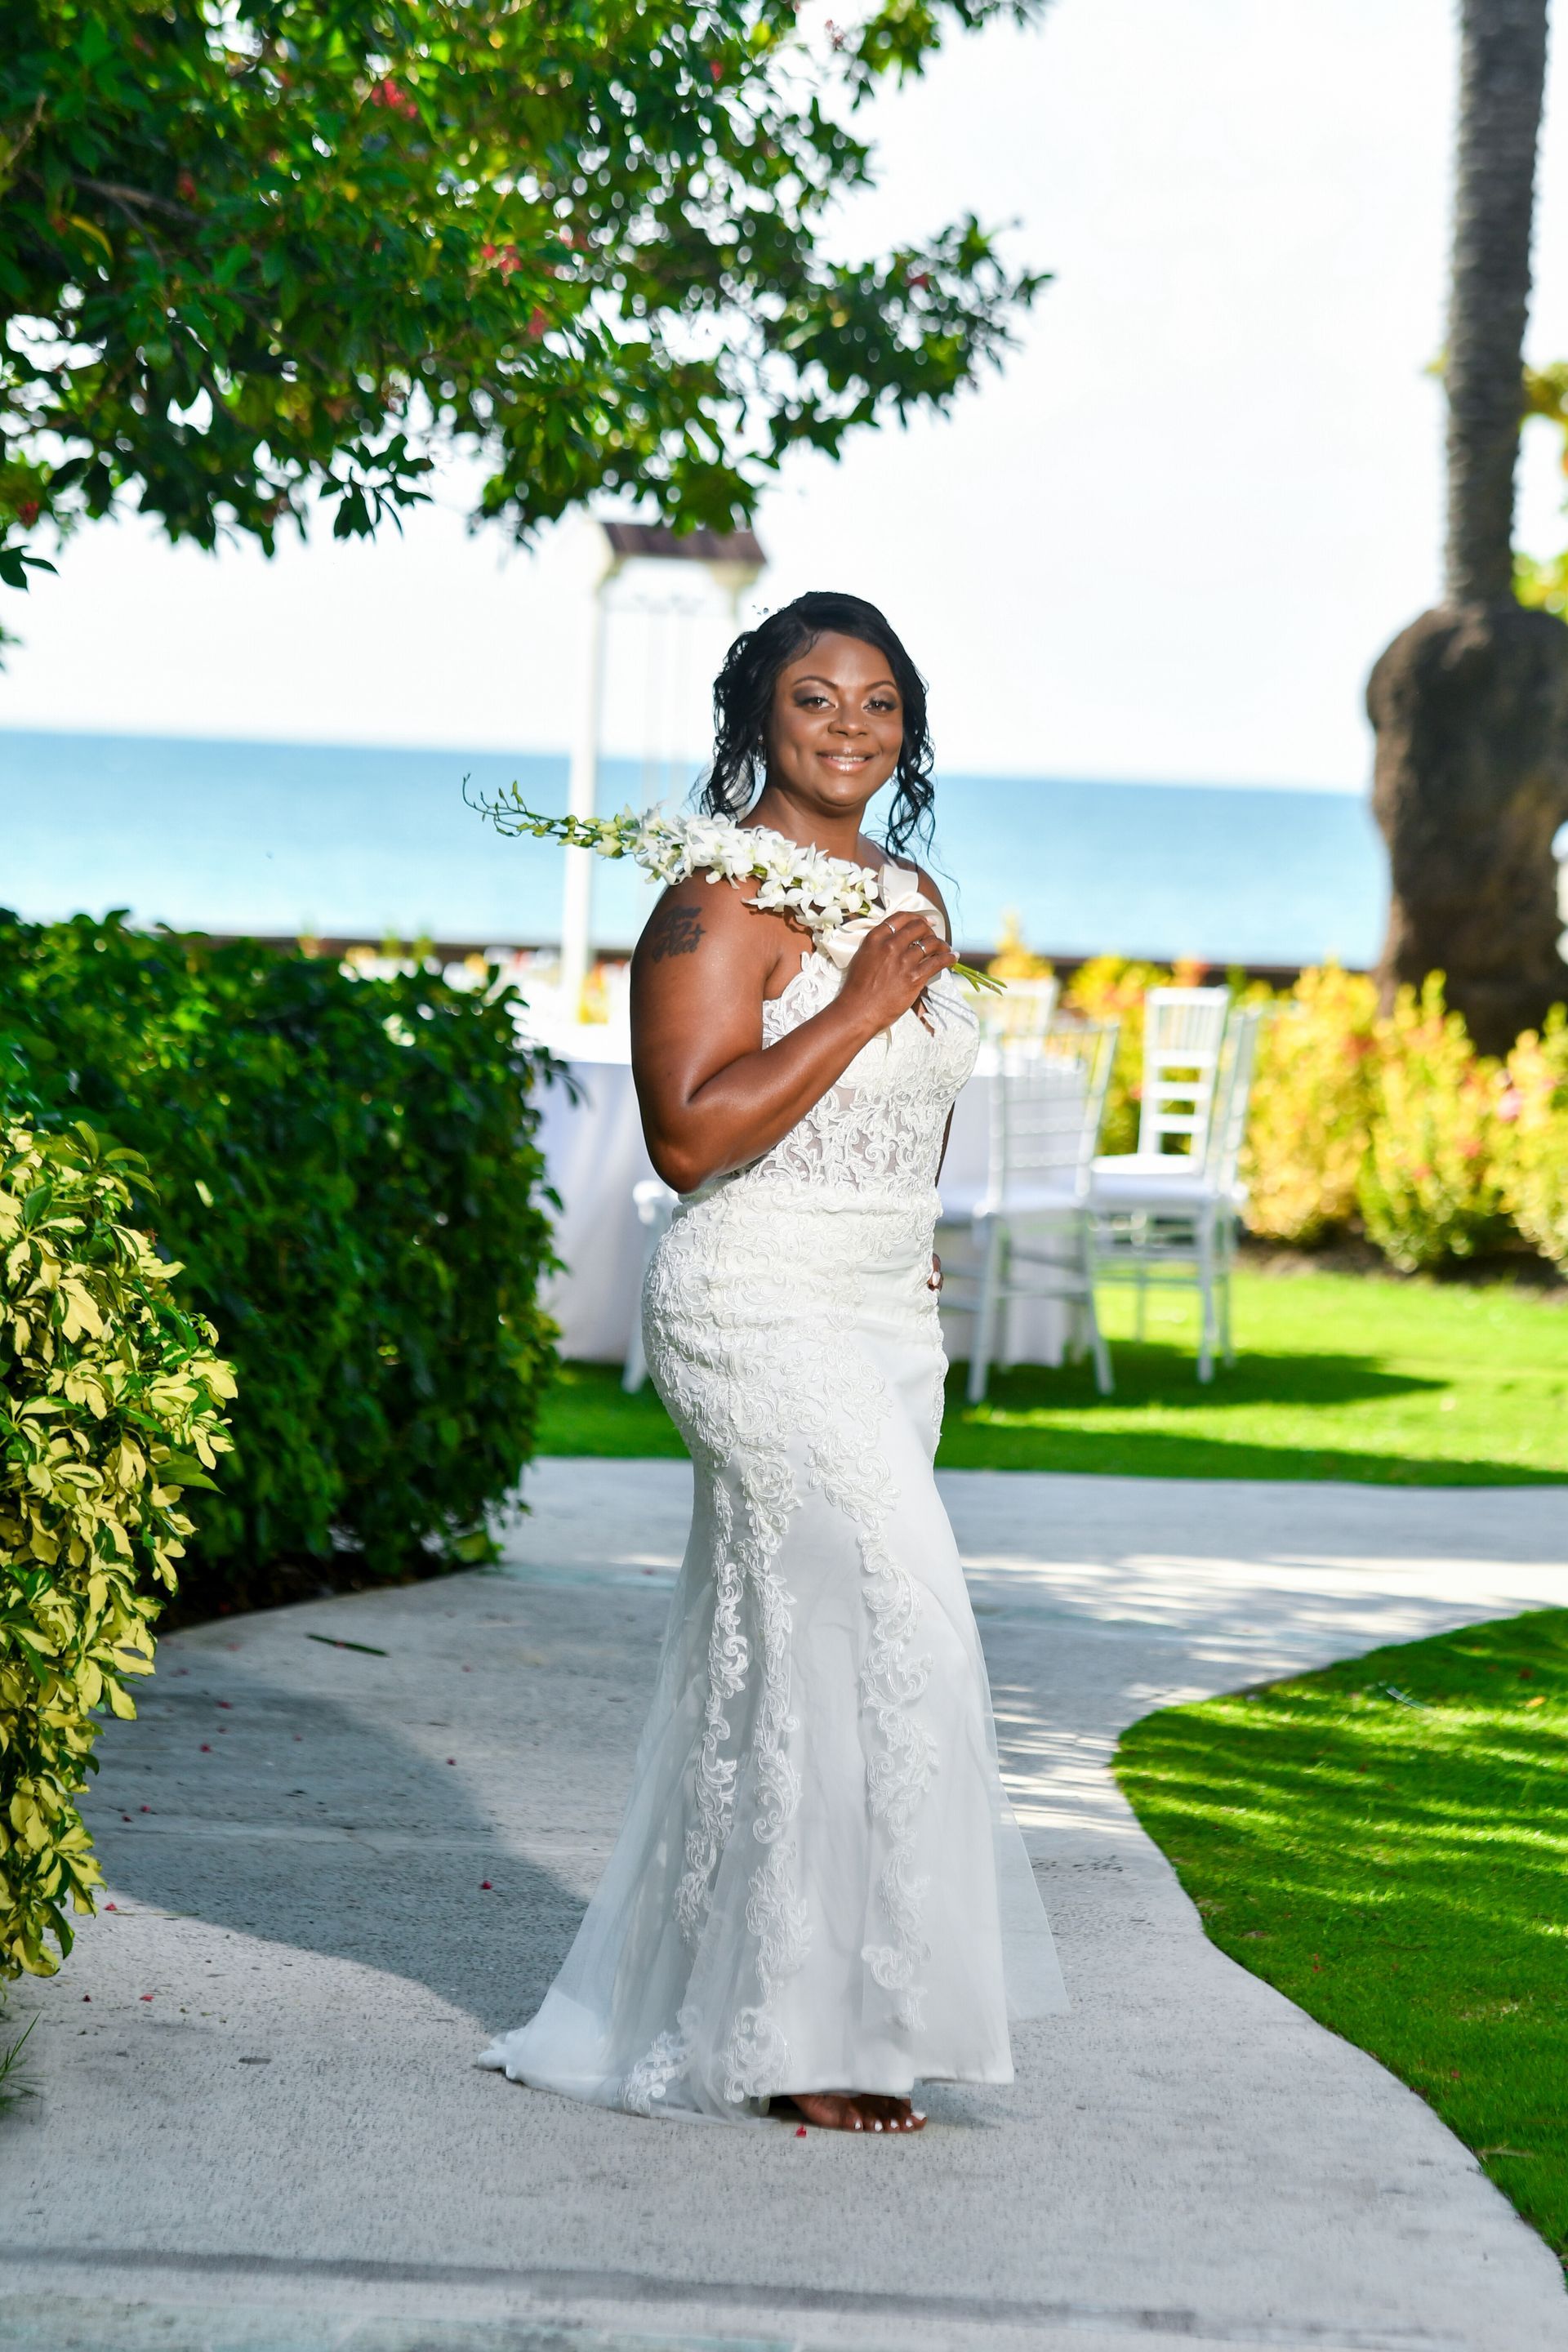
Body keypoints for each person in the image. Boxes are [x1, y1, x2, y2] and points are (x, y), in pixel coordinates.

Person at [480, 590, 1067, 2132]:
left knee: (807, 1649)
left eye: (881, 704)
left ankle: (814, 2007)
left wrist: (909, 1215)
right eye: (820, 701)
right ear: (759, 715)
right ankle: (811, 2036)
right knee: (897, 1620)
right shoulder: (713, 902)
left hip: (884, 1313)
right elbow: (686, 1137)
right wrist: (867, 1004)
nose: (853, 730)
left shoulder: (906, 880)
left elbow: (927, 1083)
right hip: (753, 1303)